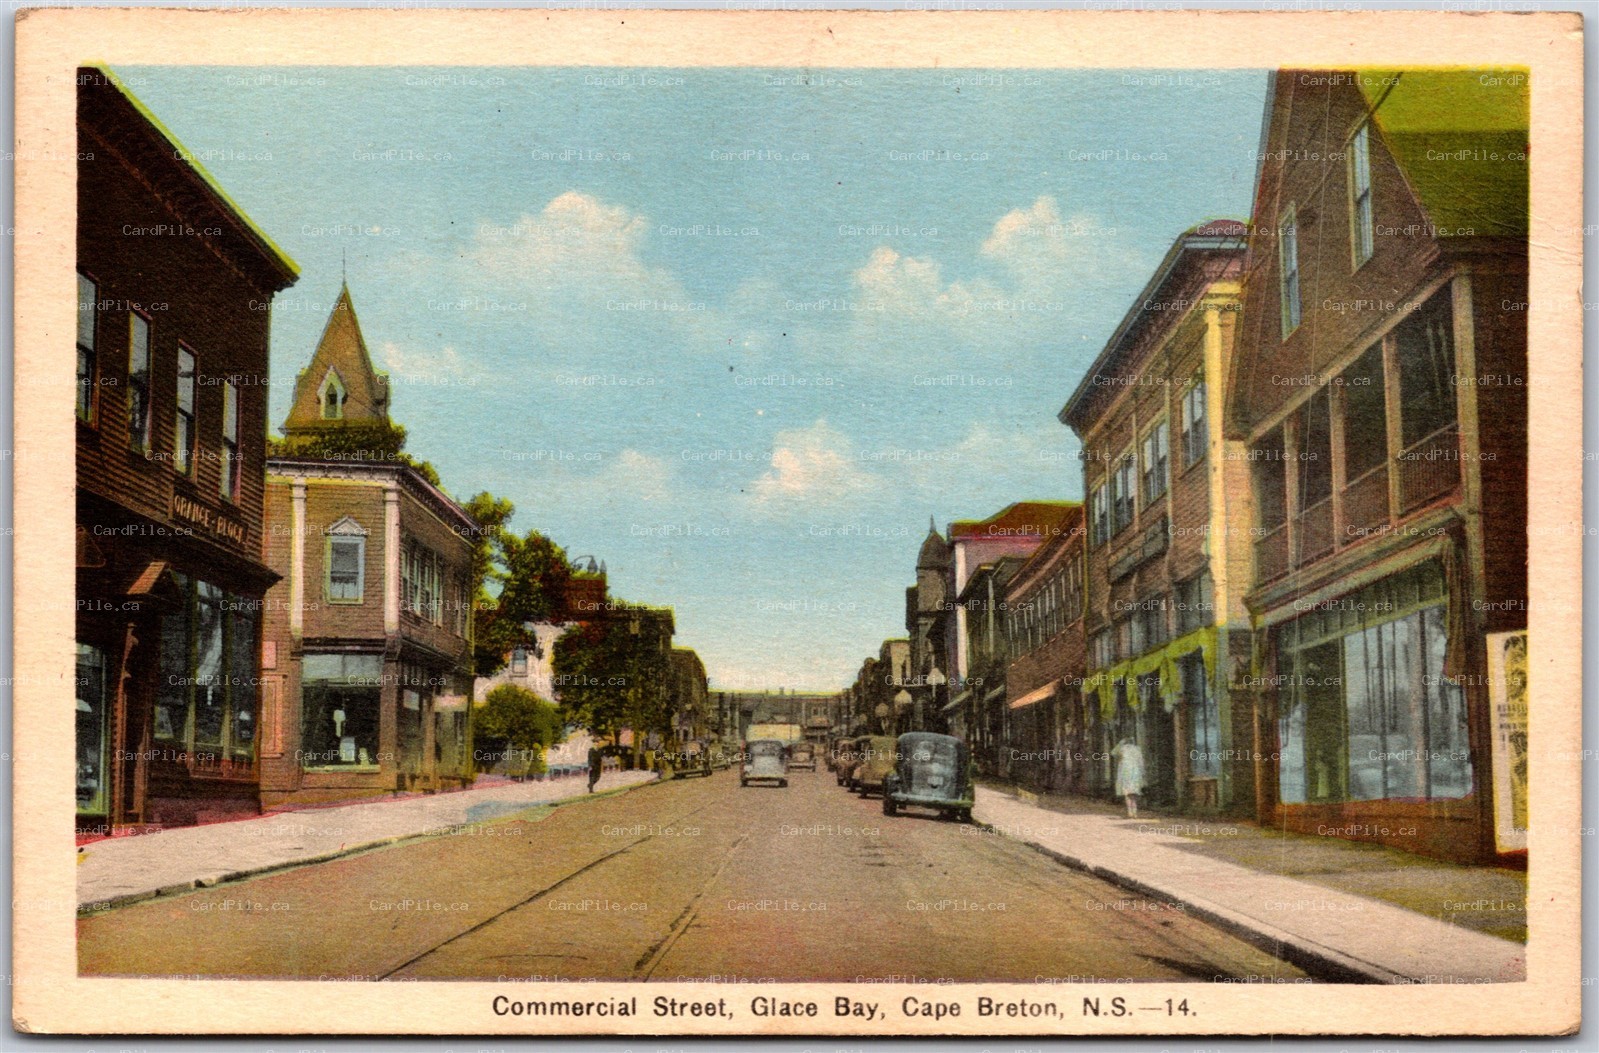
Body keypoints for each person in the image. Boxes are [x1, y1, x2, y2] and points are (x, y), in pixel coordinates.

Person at [1112, 737, 1146, 818]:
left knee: (1127, 794)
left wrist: (1120, 743)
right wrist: (1143, 773)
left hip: (1125, 772)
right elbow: (1141, 762)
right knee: (1134, 794)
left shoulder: (1122, 749)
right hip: (1135, 773)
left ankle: (1130, 812)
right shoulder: (1137, 749)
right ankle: (1135, 812)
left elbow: (1113, 752)